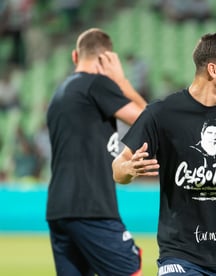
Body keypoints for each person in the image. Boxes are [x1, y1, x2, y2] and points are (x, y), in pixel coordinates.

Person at [112, 33, 216, 276]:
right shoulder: (161, 113)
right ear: (213, 70)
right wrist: (127, 170)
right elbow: (119, 166)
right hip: (180, 254)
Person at [46, 28, 147, 276]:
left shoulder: (60, 94)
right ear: (106, 59)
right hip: (90, 206)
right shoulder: (96, 84)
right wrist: (122, 81)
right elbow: (148, 120)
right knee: (130, 270)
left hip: (59, 210)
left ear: (74, 56)